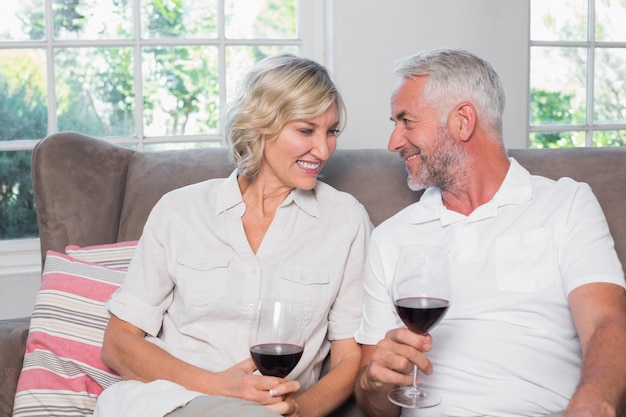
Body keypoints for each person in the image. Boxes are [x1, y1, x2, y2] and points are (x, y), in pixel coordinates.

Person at [94, 54, 373, 417]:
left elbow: (350, 356)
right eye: (306, 130)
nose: (323, 150)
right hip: (169, 402)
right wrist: (219, 386)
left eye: (331, 131)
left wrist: (299, 411)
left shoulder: (346, 220)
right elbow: (117, 343)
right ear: (261, 125)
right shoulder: (180, 210)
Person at [353, 48, 626, 417]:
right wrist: (375, 382)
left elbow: (607, 322)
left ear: (463, 120)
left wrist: (595, 402)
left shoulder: (567, 203)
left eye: (406, 121)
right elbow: (376, 407)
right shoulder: (391, 238)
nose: (393, 142)